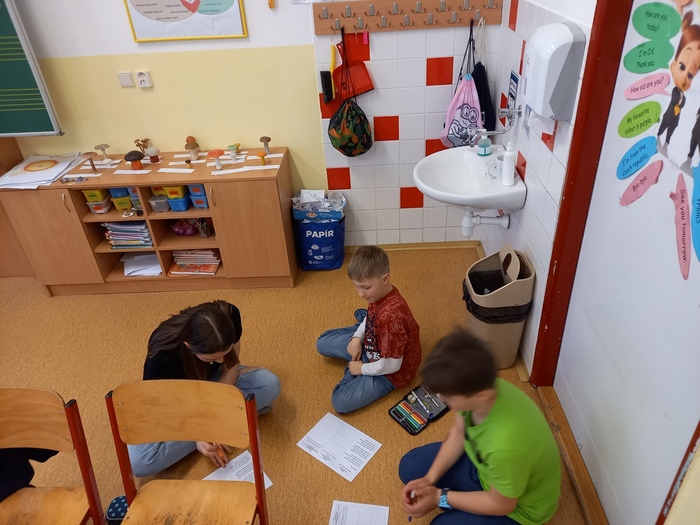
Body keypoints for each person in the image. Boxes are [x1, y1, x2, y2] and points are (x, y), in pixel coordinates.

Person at [399, 328, 561, 525]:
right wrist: (429, 479)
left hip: (515, 509)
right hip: (485, 470)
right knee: (409, 467)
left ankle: (456, 503)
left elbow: (501, 504)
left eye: (448, 397)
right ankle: (459, 499)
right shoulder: (479, 387)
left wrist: (439, 497)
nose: (442, 400)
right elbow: (459, 433)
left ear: (481, 395)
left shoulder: (505, 447)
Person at [128, 300, 281, 477]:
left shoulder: (230, 315)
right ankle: (230, 419)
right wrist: (197, 432)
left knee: (270, 384)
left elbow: (230, 368)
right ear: (189, 346)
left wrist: (206, 420)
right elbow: (160, 406)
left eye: (225, 353)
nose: (221, 361)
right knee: (140, 462)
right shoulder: (162, 351)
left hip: (214, 384)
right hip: (175, 401)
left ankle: (221, 422)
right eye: (212, 358)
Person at [316, 245, 421, 413]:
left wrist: (361, 369)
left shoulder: (391, 318)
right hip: (374, 343)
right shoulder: (378, 293)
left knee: (340, 403)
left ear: (385, 279)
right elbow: (372, 315)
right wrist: (357, 338)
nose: (360, 294)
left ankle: (356, 362)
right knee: (321, 343)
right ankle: (361, 329)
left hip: (390, 372)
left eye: (365, 287)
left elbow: (393, 365)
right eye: (356, 286)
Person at [657, 11, 700, 157]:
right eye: (682, 66)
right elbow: (675, 101)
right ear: (673, 65)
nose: (685, 78)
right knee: (662, 129)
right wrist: (680, 102)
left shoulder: (684, 96)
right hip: (668, 116)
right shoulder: (675, 91)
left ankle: (667, 143)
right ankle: (658, 136)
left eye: (690, 75)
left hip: (676, 119)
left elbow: (682, 105)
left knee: (671, 132)